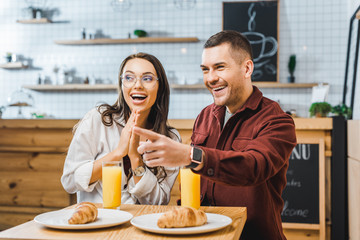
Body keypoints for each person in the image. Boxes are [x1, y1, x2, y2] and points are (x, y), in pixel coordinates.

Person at [133, 30, 297, 240]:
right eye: (205, 70)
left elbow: (253, 166)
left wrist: (190, 155)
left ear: (247, 68)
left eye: (219, 67)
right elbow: (192, 182)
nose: (210, 78)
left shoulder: (277, 121)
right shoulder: (205, 115)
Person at [61, 52, 181, 205]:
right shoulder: (98, 120)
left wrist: (136, 160)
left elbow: (159, 202)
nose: (137, 85)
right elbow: (70, 181)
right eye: (129, 78)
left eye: (147, 78)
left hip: (142, 225)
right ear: (121, 85)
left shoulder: (170, 138)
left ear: (160, 87)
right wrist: (118, 153)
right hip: (99, 224)